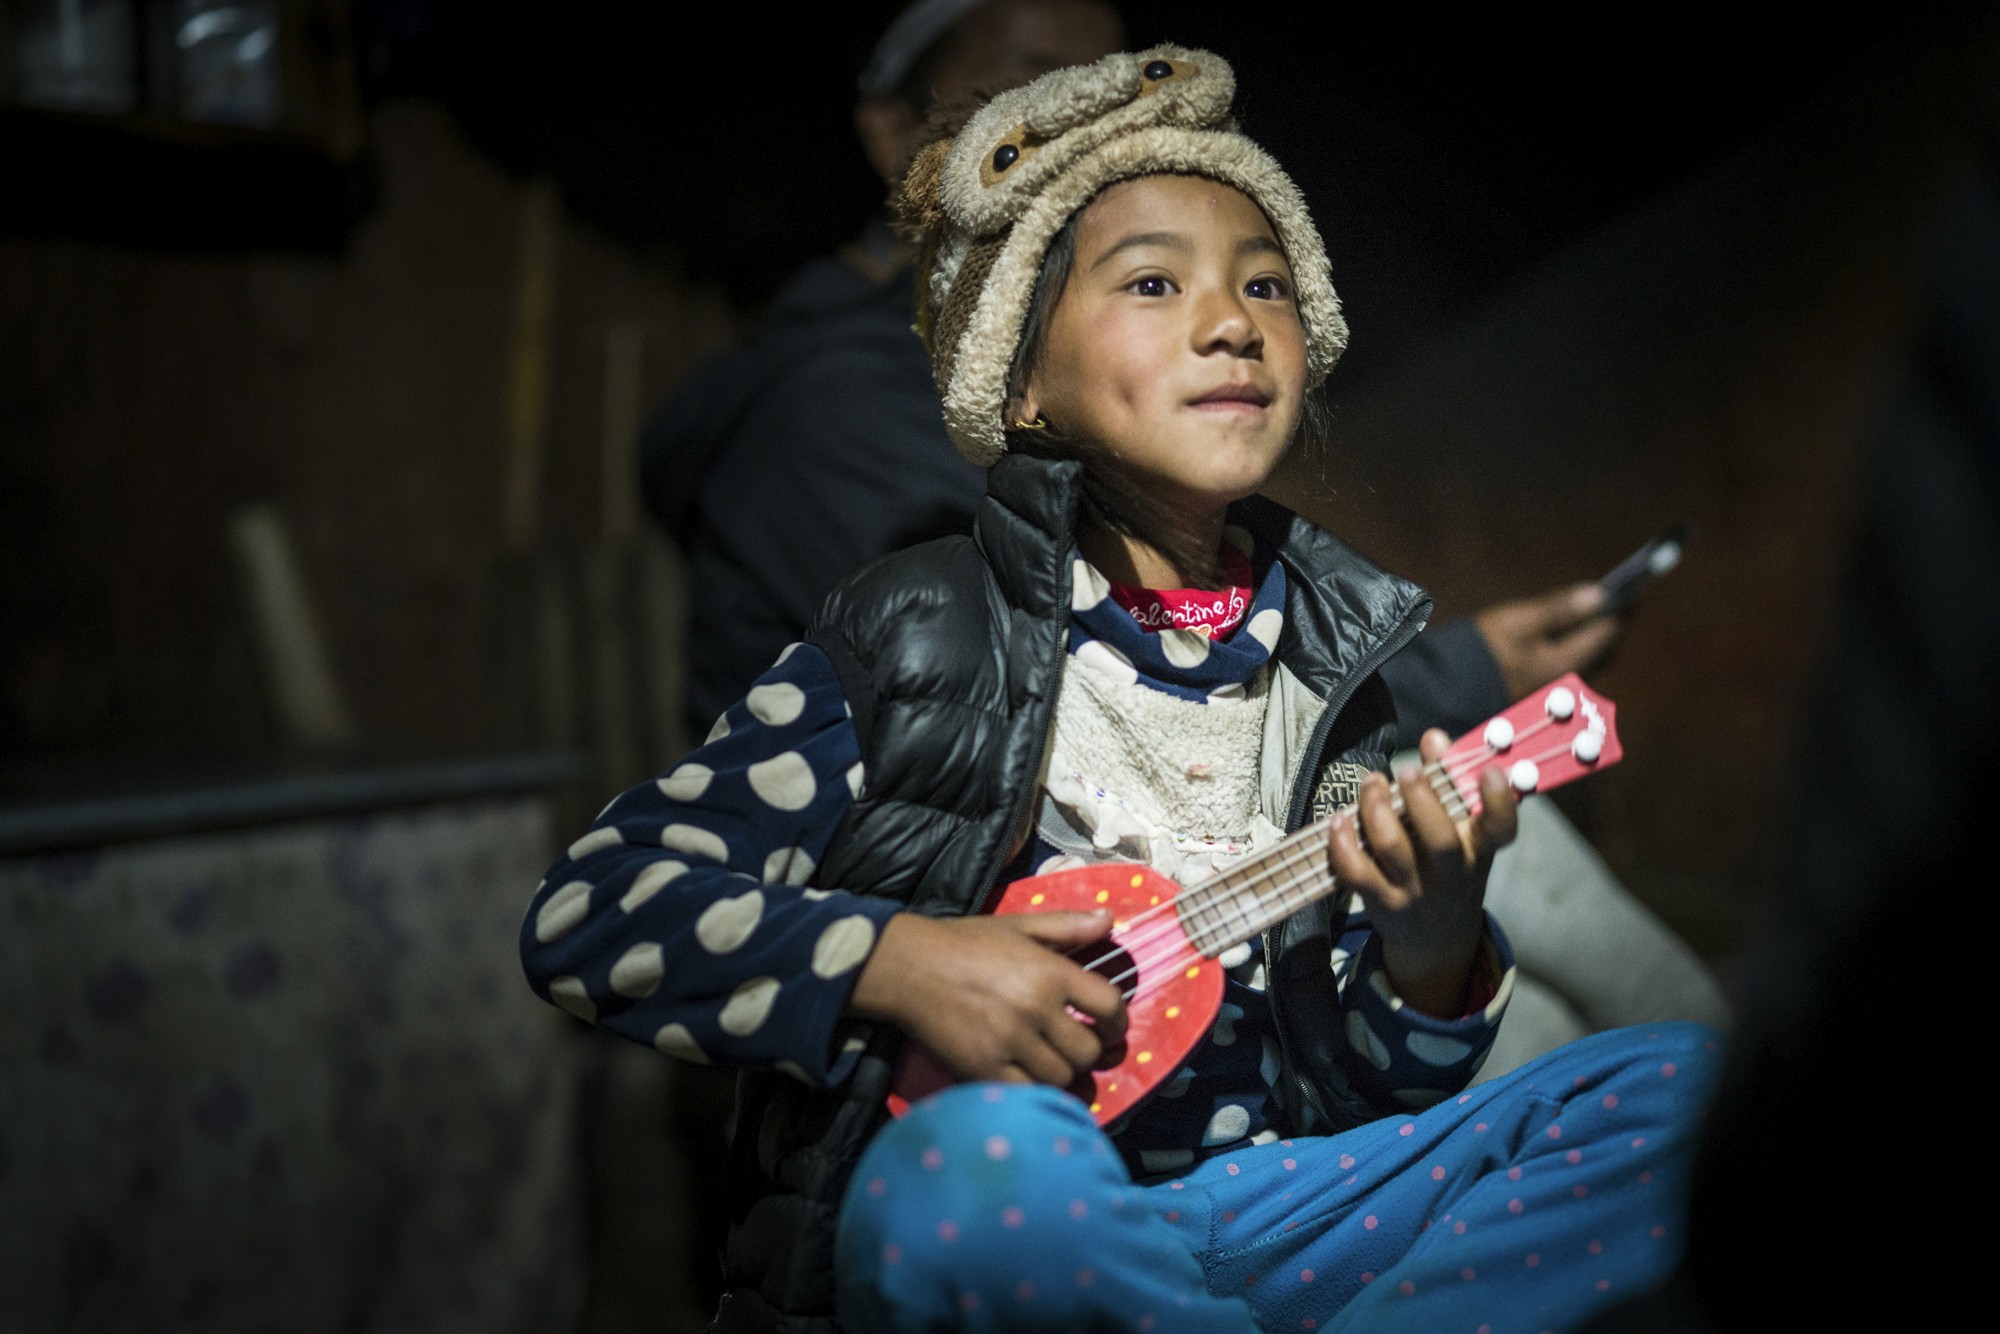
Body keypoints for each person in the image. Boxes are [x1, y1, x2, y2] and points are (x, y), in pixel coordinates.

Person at [530, 47, 1717, 1333]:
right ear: (1021, 379)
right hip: (1023, 1214)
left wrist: (1431, 950)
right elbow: (592, 914)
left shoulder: (1336, 674)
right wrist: (899, 958)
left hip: (1277, 1213)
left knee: (1671, 1091)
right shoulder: (916, 638)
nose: (1231, 321)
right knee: (972, 1172)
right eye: (1153, 282)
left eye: (1265, 285)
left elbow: (1375, 1098)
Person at [640, 0, 1619, 751]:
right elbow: (1098, 714)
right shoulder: (835, 419)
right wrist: (1463, 674)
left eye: (1263, 284)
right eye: (1028, 88)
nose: (1087, 121)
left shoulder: (1201, 524)